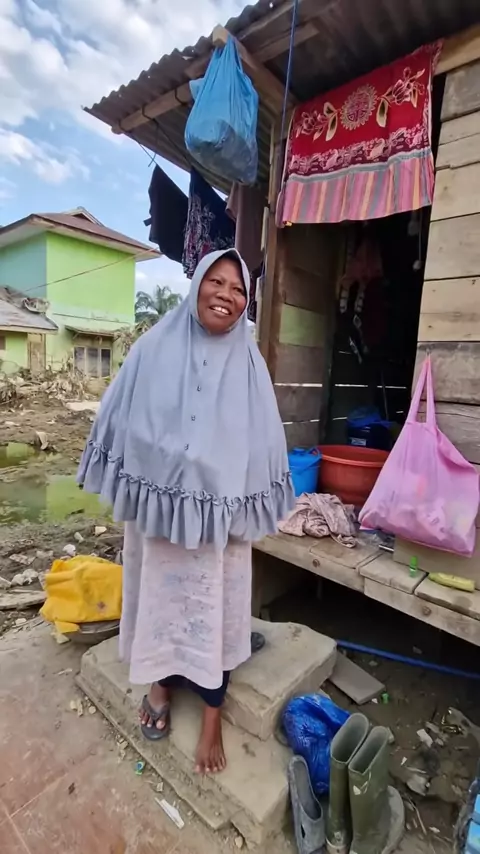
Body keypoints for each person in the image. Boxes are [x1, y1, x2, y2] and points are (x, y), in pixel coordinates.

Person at [77, 248, 294, 774]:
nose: (226, 295)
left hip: (220, 521)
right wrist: (161, 470)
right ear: (196, 285)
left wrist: (233, 493)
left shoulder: (250, 365)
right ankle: (160, 685)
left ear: (246, 302)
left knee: (216, 605)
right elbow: (120, 415)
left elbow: (266, 444)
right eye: (216, 282)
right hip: (159, 514)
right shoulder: (154, 347)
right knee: (162, 598)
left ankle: (212, 713)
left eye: (238, 289)